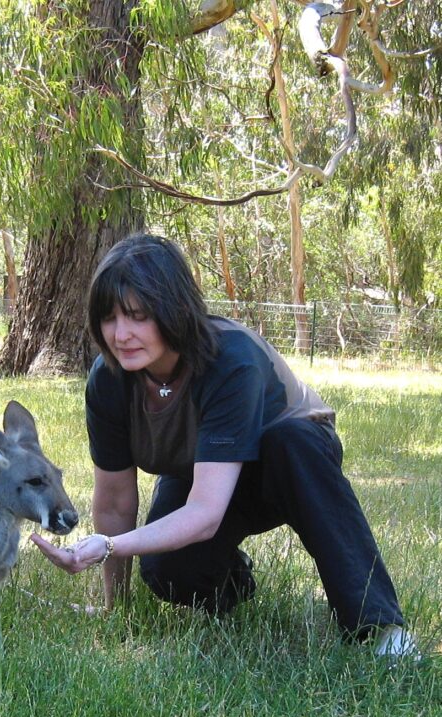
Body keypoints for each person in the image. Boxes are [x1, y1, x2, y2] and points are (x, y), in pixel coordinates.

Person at [31, 233, 419, 660]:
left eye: (138, 316)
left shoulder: (230, 358)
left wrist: (105, 545)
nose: (121, 334)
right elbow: (115, 502)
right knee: (165, 569)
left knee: (293, 443)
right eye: (109, 318)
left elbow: (203, 515)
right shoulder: (108, 381)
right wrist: (115, 607)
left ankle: (380, 626)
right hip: (203, 471)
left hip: (289, 462)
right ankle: (235, 583)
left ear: (173, 309)